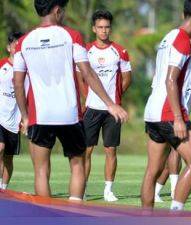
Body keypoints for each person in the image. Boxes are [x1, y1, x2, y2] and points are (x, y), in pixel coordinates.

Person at [13, 0, 128, 200]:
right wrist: (111, 104)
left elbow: (17, 84)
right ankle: (73, 214)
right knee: (77, 165)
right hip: (69, 114)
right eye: (63, 10)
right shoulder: (72, 36)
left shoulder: (23, 42)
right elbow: (87, 72)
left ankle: (46, 217)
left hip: (40, 115)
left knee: (41, 170)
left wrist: (24, 116)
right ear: (57, 11)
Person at [141, 0, 191, 210]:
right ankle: (176, 214)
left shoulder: (169, 36)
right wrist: (178, 117)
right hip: (168, 113)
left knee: (152, 170)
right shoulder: (183, 40)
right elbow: (170, 80)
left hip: (152, 112)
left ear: (184, 13)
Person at [76, 9, 132, 202]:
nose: (104, 31)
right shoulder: (85, 51)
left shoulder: (120, 51)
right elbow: (80, 78)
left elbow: (126, 78)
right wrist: (86, 98)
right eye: (100, 27)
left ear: (110, 28)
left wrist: (115, 98)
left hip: (113, 110)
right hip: (91, 108)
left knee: (111, 150)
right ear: (94, 28)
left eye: (107, 27)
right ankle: (81, 189)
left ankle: (108, 190)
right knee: (87, 150)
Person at [154, 35, 191, 203]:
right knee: (175, 156)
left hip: (183, 118)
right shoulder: (171, 69)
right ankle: (175, 193)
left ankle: (158, 191)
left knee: (173, 158)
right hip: (166, 117)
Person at [0, 31, 25, 190]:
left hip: (15, 121)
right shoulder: (1, 65)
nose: (17, 48)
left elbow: (28, 96)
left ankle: (4, 188)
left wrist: (25, 118)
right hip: (0, 117)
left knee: (8, 158)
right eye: (14, 45)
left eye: (20, 45)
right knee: (0, 148)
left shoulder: (26, 70)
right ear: (9, 47)